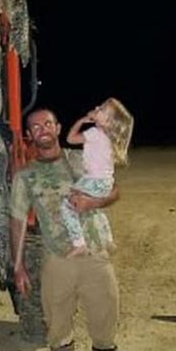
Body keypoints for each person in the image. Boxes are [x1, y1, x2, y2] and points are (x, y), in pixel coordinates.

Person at [9, 108, 122, 351]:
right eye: (35, 126)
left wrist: (93, 201)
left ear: (58, 128)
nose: (42, 129)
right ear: (29, 136)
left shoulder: (80, 158)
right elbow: (18, 220)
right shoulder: (25, 175)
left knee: (104, 327)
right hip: (57, 259)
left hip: (96, 254)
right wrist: (17, 265)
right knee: (57, 327)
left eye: (48, 123)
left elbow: (114, 190)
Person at [62, 98, 134, 256]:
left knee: (67, 206)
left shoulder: (94, 133)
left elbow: (70, 139)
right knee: (95, 208)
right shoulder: (109, 136)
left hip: (93, 180)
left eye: (101, 109)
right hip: (106, 183)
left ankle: (79, 243)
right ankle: (108, 239)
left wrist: (82, 121)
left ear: (107, 122)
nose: (96, 107)